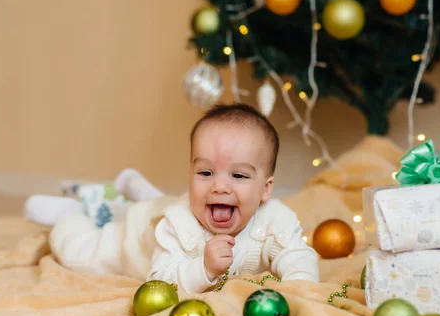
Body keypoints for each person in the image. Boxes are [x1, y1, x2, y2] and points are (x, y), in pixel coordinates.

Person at [24, 103, 319, 293]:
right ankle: (69, 215)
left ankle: (140, 190)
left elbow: (297, 255)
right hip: (137, 238)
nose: (220, 186)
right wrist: (203, 270)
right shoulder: (177, 224)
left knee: (165, 203)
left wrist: (301, 288)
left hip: (164, 207)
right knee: (79, 254)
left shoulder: (274, 220)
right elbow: (162, 282)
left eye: (238, 176)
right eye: (205, 173)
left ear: (266, 189)